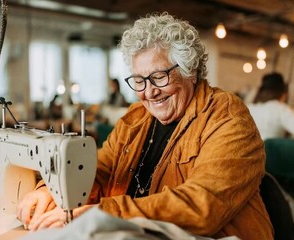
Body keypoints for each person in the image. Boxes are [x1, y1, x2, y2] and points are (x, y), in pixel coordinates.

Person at [16, 12, 273, 239]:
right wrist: (52, 191)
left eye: (159, 77)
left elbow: (202, 204)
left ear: (190, 72)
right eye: (139, 81)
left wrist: (104, 214)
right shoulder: (137, 116)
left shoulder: (226, 117)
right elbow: (100, 168)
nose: (149, 92)